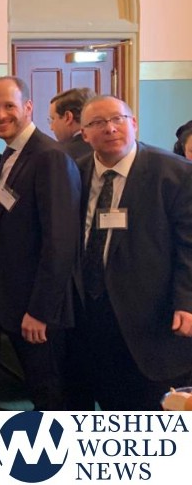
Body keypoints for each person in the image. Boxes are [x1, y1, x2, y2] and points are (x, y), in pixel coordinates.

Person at [75, 96, 192, 409]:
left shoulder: (175, 173)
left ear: (134, 123)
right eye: (98, 123)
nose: (110, 128)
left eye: (118, 119)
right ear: (84, 134)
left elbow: (189, 244)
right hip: (93, 313)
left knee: (154, 411)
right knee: (110, 402)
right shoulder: (75, 172)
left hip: (153, 316)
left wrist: (187, 301)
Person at [0, 76, 80, 411]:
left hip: (40, 313)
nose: (0, 115)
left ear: (28, 107)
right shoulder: (11, 155)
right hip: (16, 305)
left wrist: (40, 311)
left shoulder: (49, 156)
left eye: (8, 106)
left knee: (53, 398)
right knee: (41, 395)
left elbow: (60, 242)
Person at [48, 87, 95, 160]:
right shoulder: (105, 147)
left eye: (52, 119)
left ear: (68, 117)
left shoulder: (60, 154)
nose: (51, 128)